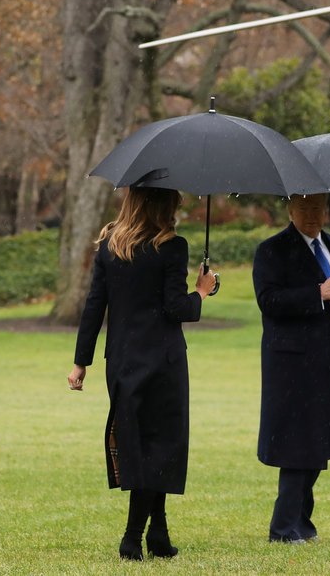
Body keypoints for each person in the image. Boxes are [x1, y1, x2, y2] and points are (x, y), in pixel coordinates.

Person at [67, 186, 216, 560]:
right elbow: (174, 308)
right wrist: (201, 291)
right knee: (161, 446)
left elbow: (93, 306)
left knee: (140, 444)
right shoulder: (171, 247)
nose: (179, 207)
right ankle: (133, 537)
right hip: (163, 363)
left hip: (121, 361)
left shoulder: (109, 247)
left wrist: (80, 361)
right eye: (175, 202)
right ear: (163, 204)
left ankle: (159, 535)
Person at [252, 193, 330, 544]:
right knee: (296, 446)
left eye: (318, 208)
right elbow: (268, 302)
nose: (313, 215)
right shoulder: (272, 250)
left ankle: (301, 524)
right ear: (290, 209)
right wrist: (316, 292)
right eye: (305, 209)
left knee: (318, 445)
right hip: (293, 366)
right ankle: (283, 529)